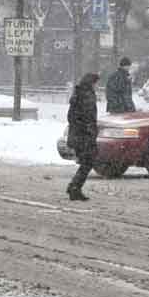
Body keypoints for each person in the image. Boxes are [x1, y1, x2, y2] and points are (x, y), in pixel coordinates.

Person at [66, 72, 100, 201]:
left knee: (87, 161)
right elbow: (89, 117)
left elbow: (71, 117)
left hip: (78, 134)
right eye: (96, 83)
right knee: (88, 161)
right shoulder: (87, 96)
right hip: (85, 135)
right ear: (92, 83)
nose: (97, 86)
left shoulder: (78, 94)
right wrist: (90, 131)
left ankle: (74, 186)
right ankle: (75, 187)